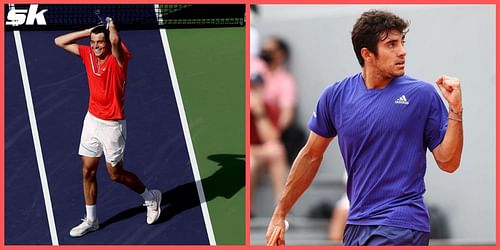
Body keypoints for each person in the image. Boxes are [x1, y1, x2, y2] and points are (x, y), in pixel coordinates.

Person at [266, 10, 463, 246]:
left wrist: (456, 111)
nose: (402, 51)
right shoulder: (336, 96)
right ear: (367, 54)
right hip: (356, 225)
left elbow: (449, 162)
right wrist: (280, 212)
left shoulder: (422, 95)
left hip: (401, 224)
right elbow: (310, 155)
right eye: (391, 44)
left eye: (402, 42)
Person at [54, 19, 162, 237]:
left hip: (113, 126)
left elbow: (114, 40)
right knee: (87, 170)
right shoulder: (88, 55)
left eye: (99, 43)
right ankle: (92, 220)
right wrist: (88, 31)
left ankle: (150, 197)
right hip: (92, 121)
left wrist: (112, 27)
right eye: (93, 42)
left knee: (115, 174)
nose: (95, 46)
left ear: (109, 43)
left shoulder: (119, 60)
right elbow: (59, 41)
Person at [250, 37, 297, 214]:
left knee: (277, 150)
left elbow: (274, 134)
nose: (255, 86)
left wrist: (259, 111)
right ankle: (246, 210)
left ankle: (281, 208)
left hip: (262, 143)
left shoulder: (269, 103)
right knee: (251, 163)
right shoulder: (254, 65)